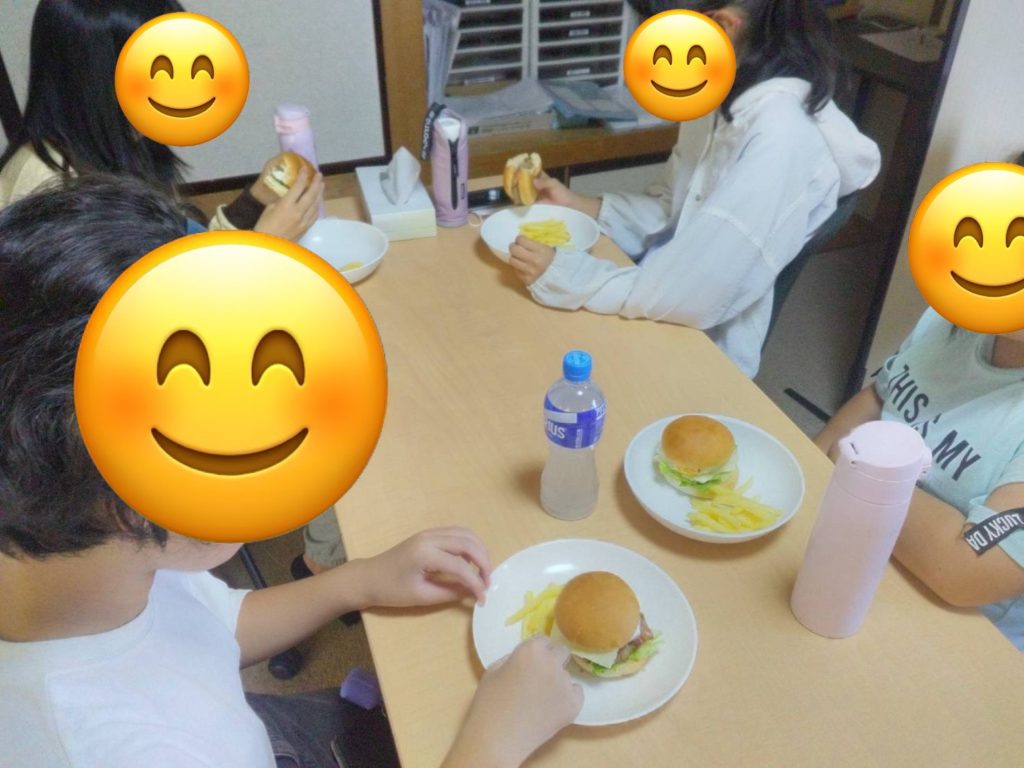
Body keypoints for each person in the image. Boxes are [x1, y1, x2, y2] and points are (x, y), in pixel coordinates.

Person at [0, 175, 583, 767]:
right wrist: (494, 743)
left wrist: (357, 582)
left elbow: (208, 628)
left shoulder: (89, 567)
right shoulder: (100, 747)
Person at [509, 0, 881, 377]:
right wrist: (582, 205)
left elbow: (696, 291)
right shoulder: (717, 91)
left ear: (723, 25)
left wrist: (567, 275)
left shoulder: (780, 138)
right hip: (656, 298)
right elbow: (675, 209)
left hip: (701, 347)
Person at [0, 0, 322, 240]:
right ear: (96, 80)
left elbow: (179, 250)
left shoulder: (118, 138)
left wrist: (253, 203)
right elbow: (152, 303)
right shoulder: (49, 194)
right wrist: (266, 244)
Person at [814, 309, 1024, 650]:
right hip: (856, 547)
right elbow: (878, 399)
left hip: (957, 635)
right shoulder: (947, 321)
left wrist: (858, 464)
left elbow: (964, 571)